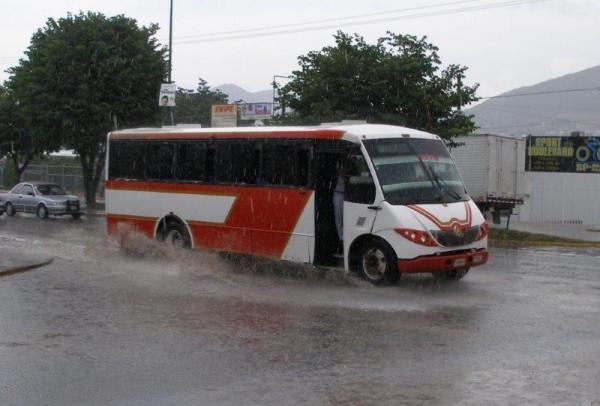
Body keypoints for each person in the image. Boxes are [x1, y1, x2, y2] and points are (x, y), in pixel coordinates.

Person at [333, 165, 345, 254]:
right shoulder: (336, 179)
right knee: (339, 219)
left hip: (345, 195)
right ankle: (342, 239)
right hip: (339, 194)